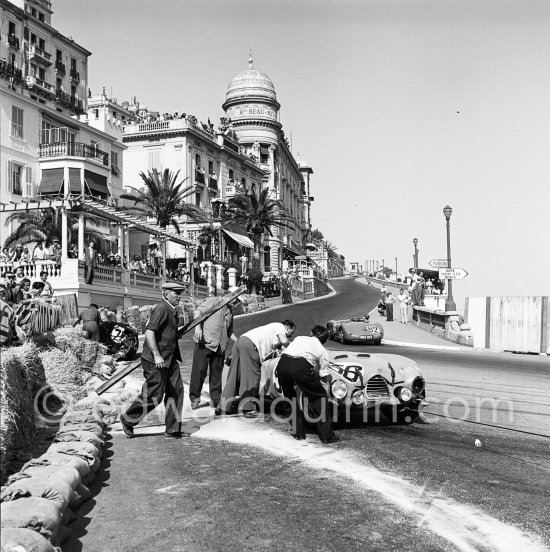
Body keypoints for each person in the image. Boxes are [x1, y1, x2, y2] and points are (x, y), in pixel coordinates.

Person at [121, 282, 186, 439]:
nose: (179, 296)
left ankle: (173, 429)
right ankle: (128, 420)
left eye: (179, 293)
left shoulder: (171, 310)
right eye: (175, 293)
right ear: (165, 294)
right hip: (155, 360)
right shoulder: (162, 308)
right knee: (153, 395)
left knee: (176, 391)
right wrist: (157, 355)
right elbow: (150, 332)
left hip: (169, 360)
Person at [219, 320, 296, 416]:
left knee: (233, 377)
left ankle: (224, 407)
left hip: (240, 341)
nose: (290, 336)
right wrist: (295, 346)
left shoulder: (270, 329)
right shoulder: (279, 326)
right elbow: (284, 341)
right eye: (291, 333)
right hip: (250, 346)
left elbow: (279, 347)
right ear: (287, 327)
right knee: (251, 378)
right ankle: (247, 408)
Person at [277, 325, 339, 444]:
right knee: (320, 398)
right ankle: (326, 436)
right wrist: (324, 392)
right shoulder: (323, 351)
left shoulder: (299, 338)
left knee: (290, 398)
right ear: (324, 340)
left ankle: (298, 433)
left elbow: (289, 350)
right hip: (300, 367)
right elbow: (323, 376)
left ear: (311, 333)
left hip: (283, 364)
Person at [189, 287, 241, 411]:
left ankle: (216, 400)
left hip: (220, 346)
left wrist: (238, 340)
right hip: (205, 343)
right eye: (236, 299)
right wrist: (198, 328)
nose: (236, 302)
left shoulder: (230, 313)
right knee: (199, 372)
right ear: (229, 295)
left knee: (217, 375)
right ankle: (195, 399)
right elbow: (198, 312)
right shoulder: (213, 301)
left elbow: (229, 331)